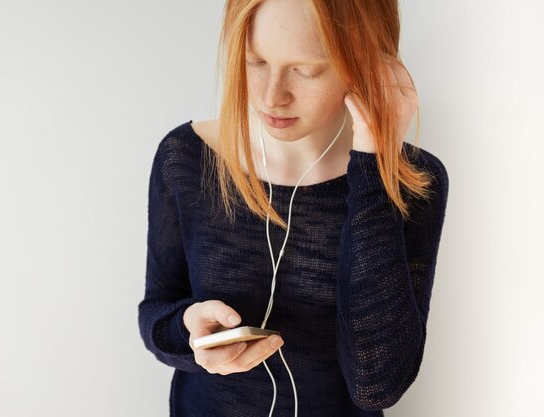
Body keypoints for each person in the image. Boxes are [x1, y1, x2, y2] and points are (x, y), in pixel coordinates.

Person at [138, 0, 449, 416]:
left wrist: (374, 164)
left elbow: (378, 385)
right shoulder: (186, 159)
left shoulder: (413, 182)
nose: (272, 96)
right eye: (255, 61)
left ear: (370, 62)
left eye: (306, 70)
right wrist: (188, 331)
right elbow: (155, 311)